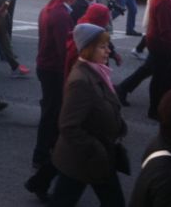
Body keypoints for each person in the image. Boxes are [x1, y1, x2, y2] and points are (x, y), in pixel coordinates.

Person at [49, 23, 127, 207]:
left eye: (107, 46)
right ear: (88, 49)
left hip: (96, 156)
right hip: (84, 158)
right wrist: (96, 149)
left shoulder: (98, 71)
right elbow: (68, 126)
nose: (108, 51)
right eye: (102, 47)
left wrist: (118, 124)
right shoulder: (81, 81)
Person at [32, 0, 78, 169]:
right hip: (52, 68)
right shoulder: (61, 15)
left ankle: (49, 147)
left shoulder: (51, 8)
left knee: (52, 109)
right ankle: (41, 154)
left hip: (46, 66)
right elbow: (63, 48)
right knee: (51, 113)